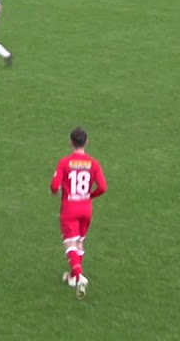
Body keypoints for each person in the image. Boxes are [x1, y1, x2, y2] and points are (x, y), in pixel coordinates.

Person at [50, 127, 107, 299]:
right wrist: (90, 195)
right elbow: (103, 187)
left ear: (70, 142)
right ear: (86, 142)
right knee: (80, 242)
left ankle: (79, 275)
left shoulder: (64, 163)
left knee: (70, 244)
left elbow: (54, 186)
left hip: (70, 207)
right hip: (86, 208)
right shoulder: (94, 163)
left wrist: (55, 191)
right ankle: (73, 277)